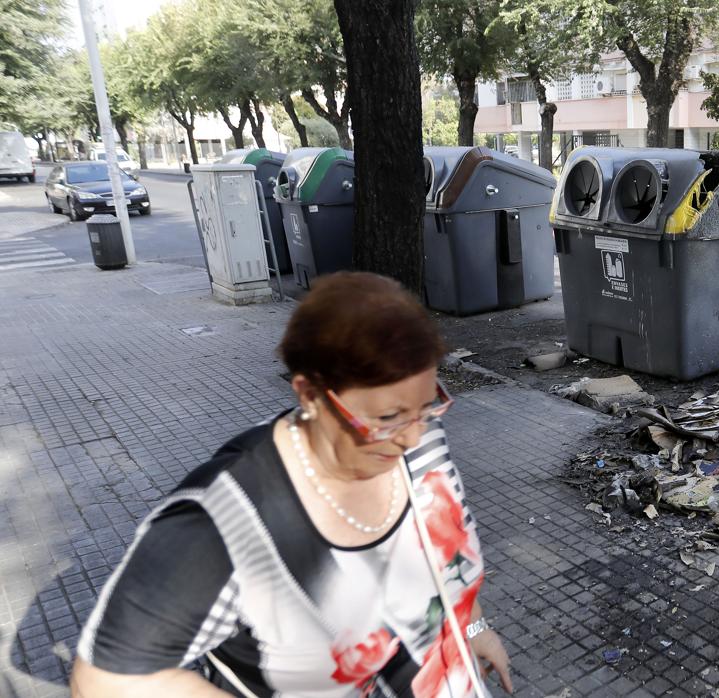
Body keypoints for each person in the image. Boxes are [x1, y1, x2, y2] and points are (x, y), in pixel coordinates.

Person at [71, 272, 513, 697]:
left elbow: (444, 557)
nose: (413, 434)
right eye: (386, 417)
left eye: (427, 405)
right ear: (310, 395)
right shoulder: (224, 523)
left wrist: (473, 627)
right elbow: (107, 681)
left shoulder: (419, 441)